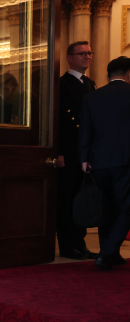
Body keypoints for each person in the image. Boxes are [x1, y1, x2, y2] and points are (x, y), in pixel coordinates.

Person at [79, 56, 130, 270]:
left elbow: (86, 129)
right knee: (126, 206)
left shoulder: (93, 97)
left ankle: (110, 254)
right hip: (126, 160)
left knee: (106, 207)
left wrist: (84, 157)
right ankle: (108, 251)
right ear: (128, 74)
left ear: (108, 75)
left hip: (98, 161)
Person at [57, 41, 97, 260]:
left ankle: (80, 242)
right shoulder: (62, 83)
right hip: (70, 150)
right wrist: (60, 151)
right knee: (67, 198)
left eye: (89, 53)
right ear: (70, 57)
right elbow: (61, 120)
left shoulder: (90, 83)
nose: (87, 57)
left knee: (82, 198)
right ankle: (67, 244)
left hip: (85, 151)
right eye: (82, 53)